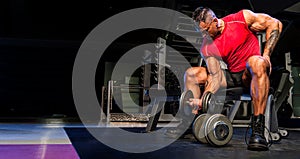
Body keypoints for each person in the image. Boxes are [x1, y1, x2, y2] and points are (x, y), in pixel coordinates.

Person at [184, 7, 282, 151]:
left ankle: (257, 131)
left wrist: (266, 55)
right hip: (232, 75)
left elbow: (275, 24)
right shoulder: (207, 45)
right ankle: (194, 121)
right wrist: (204, 100)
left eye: (206, 31)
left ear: (215, 22)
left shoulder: (241, 19)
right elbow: (215, 76)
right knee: (192, 73)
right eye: (201, 33)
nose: (204, 36)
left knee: (257, 62)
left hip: (251, 72)